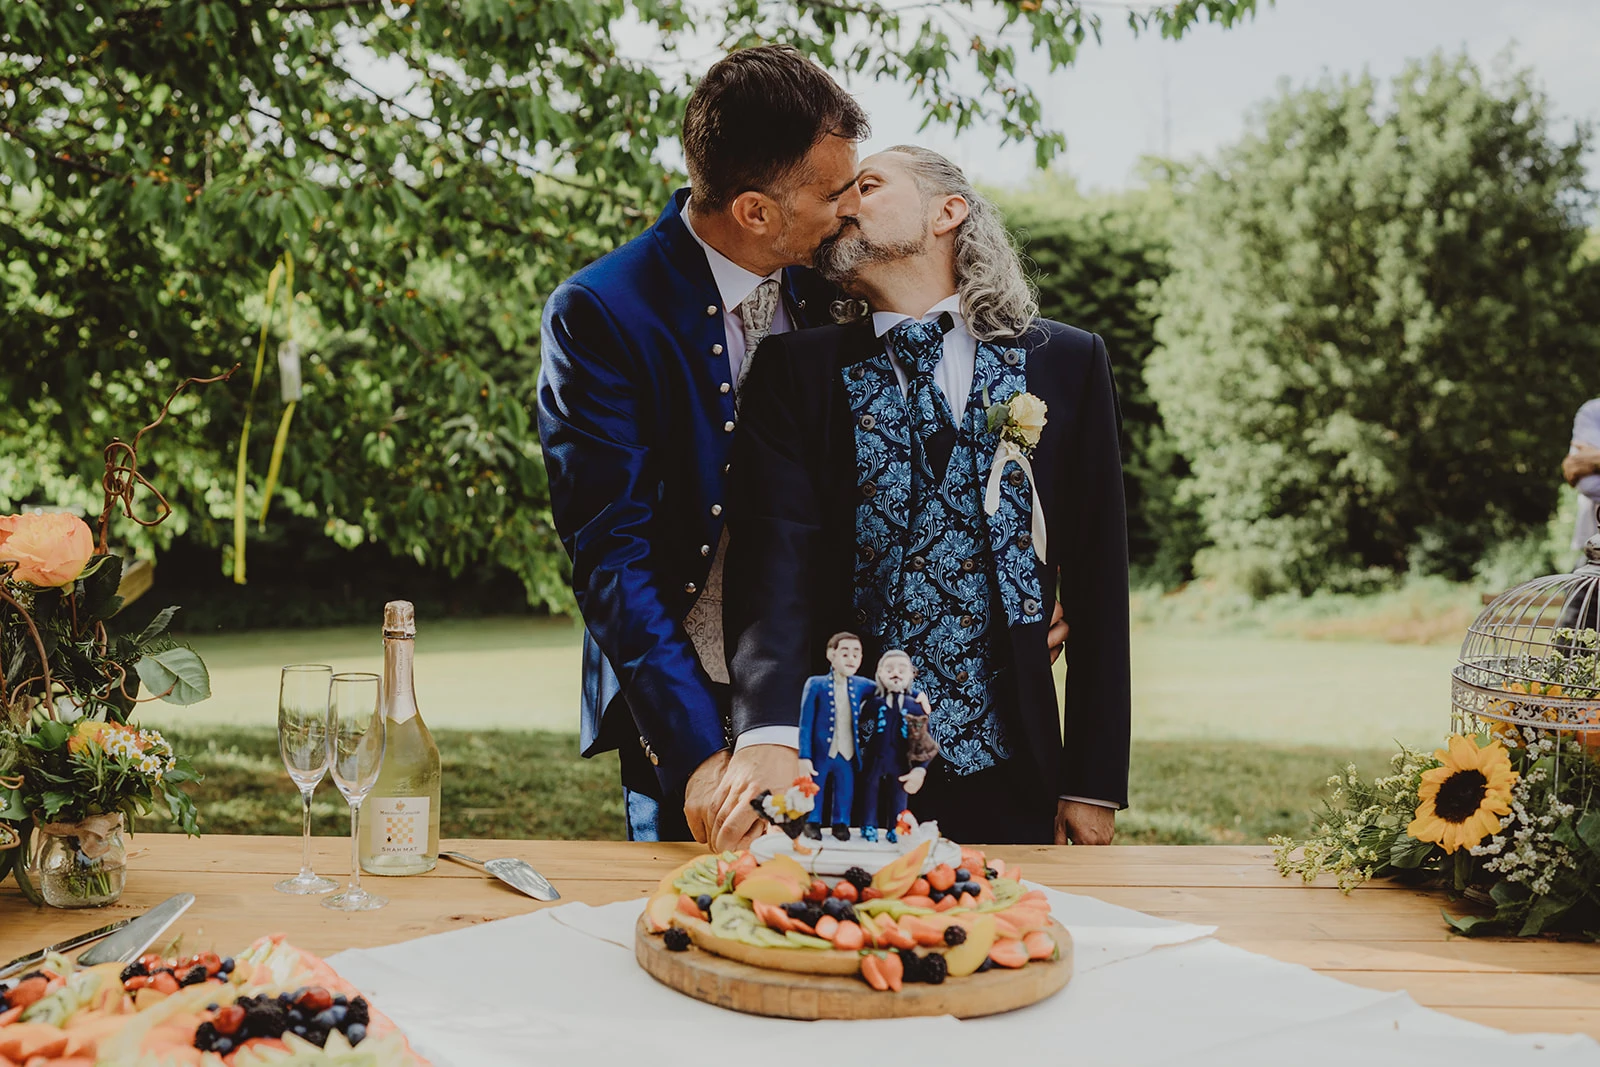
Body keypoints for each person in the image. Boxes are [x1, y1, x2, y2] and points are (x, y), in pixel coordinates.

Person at [725, 146, 1130, 845]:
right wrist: (775, 735)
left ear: (949, 211)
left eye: (868, 184)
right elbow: (773, 570)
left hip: (1012, 769)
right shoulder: (796, 370)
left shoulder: (1064, 362)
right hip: (846, 771)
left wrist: (1090, 782)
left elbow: (1099, 579)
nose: (844, 202)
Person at [537, 46, 868, 850]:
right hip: (683, 693)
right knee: (688, 927)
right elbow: (610, 554)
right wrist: (695, 756)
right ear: (755, 210)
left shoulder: (839, 288)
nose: (853, 208)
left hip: (833, 685)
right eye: (834, 192)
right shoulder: (600, 314)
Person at [796, 632, 874, 840]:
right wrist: (804, 756)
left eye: (856, 654)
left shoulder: (861, 685)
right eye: (845, 653)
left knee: (845, 789)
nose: (851, 659)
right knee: (816, 788)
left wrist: (916, 695)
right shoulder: (815, 684)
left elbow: (887, 689)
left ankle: (841, 823)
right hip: (822, 751)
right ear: (831, 654)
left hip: (847, 752)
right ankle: (812, 821)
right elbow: (805, 723)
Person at [855, 649, 937, 842]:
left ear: (911, 674)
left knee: (898, 795)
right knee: (869, 791)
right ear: (879, 673)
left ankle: (896, 829)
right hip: (875, 757)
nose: (896, 673)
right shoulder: (875, 703)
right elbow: (856, 718)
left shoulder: (915, 706)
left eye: (902, 669)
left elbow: (925, 739)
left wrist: (920, 769)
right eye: (889, 669)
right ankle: (868, 826)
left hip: (900, 759)